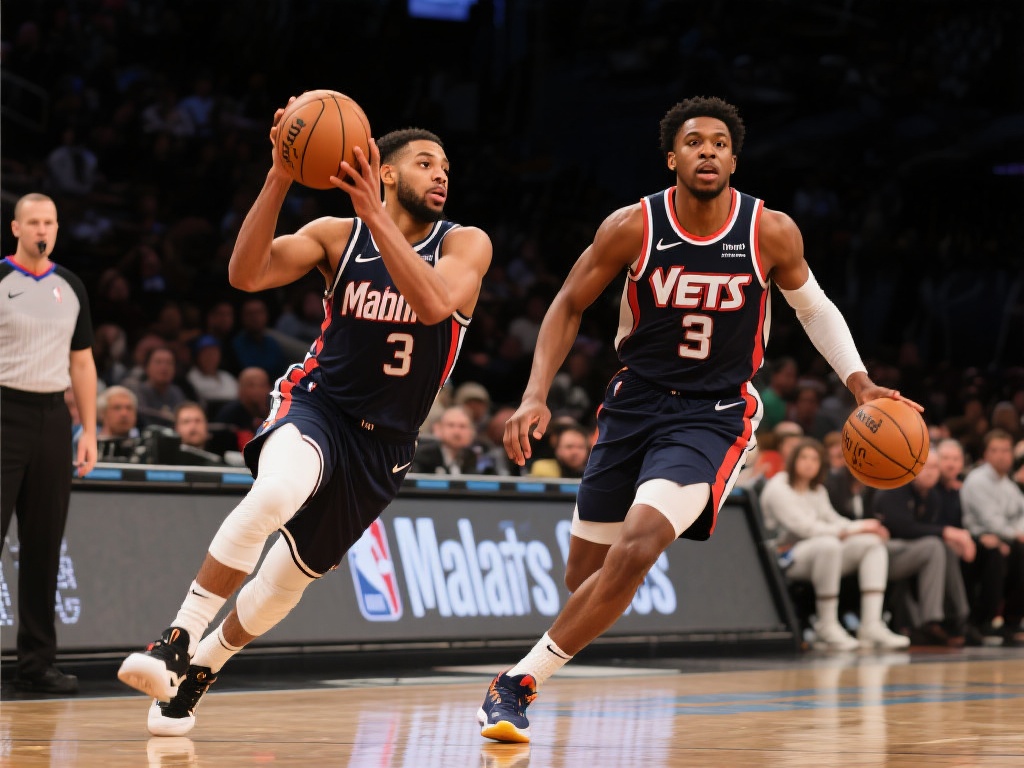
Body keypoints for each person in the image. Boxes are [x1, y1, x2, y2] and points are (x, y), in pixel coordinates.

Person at [477, 97, 920, 743]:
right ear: (672, 158)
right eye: (693, 142)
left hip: (713, 414)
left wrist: (860, 384)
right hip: (632, 404)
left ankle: (517, 683)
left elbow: (815, 308)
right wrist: (534, 394)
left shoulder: (770, 231)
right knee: (585, 579)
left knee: (638, 547)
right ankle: (543, 657)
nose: (707, 150)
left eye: (719, 143)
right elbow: (568, 303)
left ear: (733, 160)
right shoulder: (633, 226)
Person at [117, 111, 491, 736]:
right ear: (385, 172)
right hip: (319, 403)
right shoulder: (336, 235)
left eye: (446, 167)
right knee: (275, 493)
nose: (441, 175)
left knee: (284, 584)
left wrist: (374, 215)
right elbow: (246, 275)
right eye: (426, 163)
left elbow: (431, 304)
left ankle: (204, 667)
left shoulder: (465, 244)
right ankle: (176, 640)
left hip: (385, 445)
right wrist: (279, 175)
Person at [1, 193, 98, 694]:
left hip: (53, 418)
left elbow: (82, 362)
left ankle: (37, 663)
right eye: (34, 222)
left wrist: (90, 431)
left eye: (50, 222)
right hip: (4, 411)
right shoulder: (1, 280)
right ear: (16, 228)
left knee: (44, 544)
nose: (42, 229)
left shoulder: (71, 286)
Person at [759, 438, 910, 651]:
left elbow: (835, 521)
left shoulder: (817, 491)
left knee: (872, 543)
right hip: (784, 556)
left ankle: (871, 624)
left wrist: (868, 527)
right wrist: (857, 528)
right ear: (793, 460)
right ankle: (826, 625)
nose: (809, 463)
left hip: (820, 552)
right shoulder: (779, 487)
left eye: (814, 459)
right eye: (804, 458)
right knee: (828, 544)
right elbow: (807, 529)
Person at [871, 450, 977, 646]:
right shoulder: (894, 487)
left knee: (945, 547)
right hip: (880, 552)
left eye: (934, 467)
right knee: (934, 545)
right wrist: (947, 532)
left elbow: (927, 531)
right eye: (924, 467)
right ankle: (930, 621)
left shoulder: (932, 496)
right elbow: (903, 528)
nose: (930, 472)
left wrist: (950, 537)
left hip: (911, 552)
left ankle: (958, 617)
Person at [960, 429, 1024, 645]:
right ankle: (982, 621)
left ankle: (1012, 621)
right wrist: (1015, 535)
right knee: (996, 552)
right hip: (977, 539)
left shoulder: (1009, 485)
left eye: (1006, 450)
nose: (1001, 456)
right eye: (995, 450)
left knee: (1018, 551)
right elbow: (990, 520)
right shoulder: (977, 480)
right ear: (986, 454)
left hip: (1006, 539)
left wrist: (1017, 535)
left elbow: (1021, 514)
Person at [411, 404, 481, 475]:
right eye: (451, 425)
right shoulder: (422, 456)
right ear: (438, 429)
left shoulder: (471, 457)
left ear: (472, 431)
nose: (456, 432)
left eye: (462, 426)